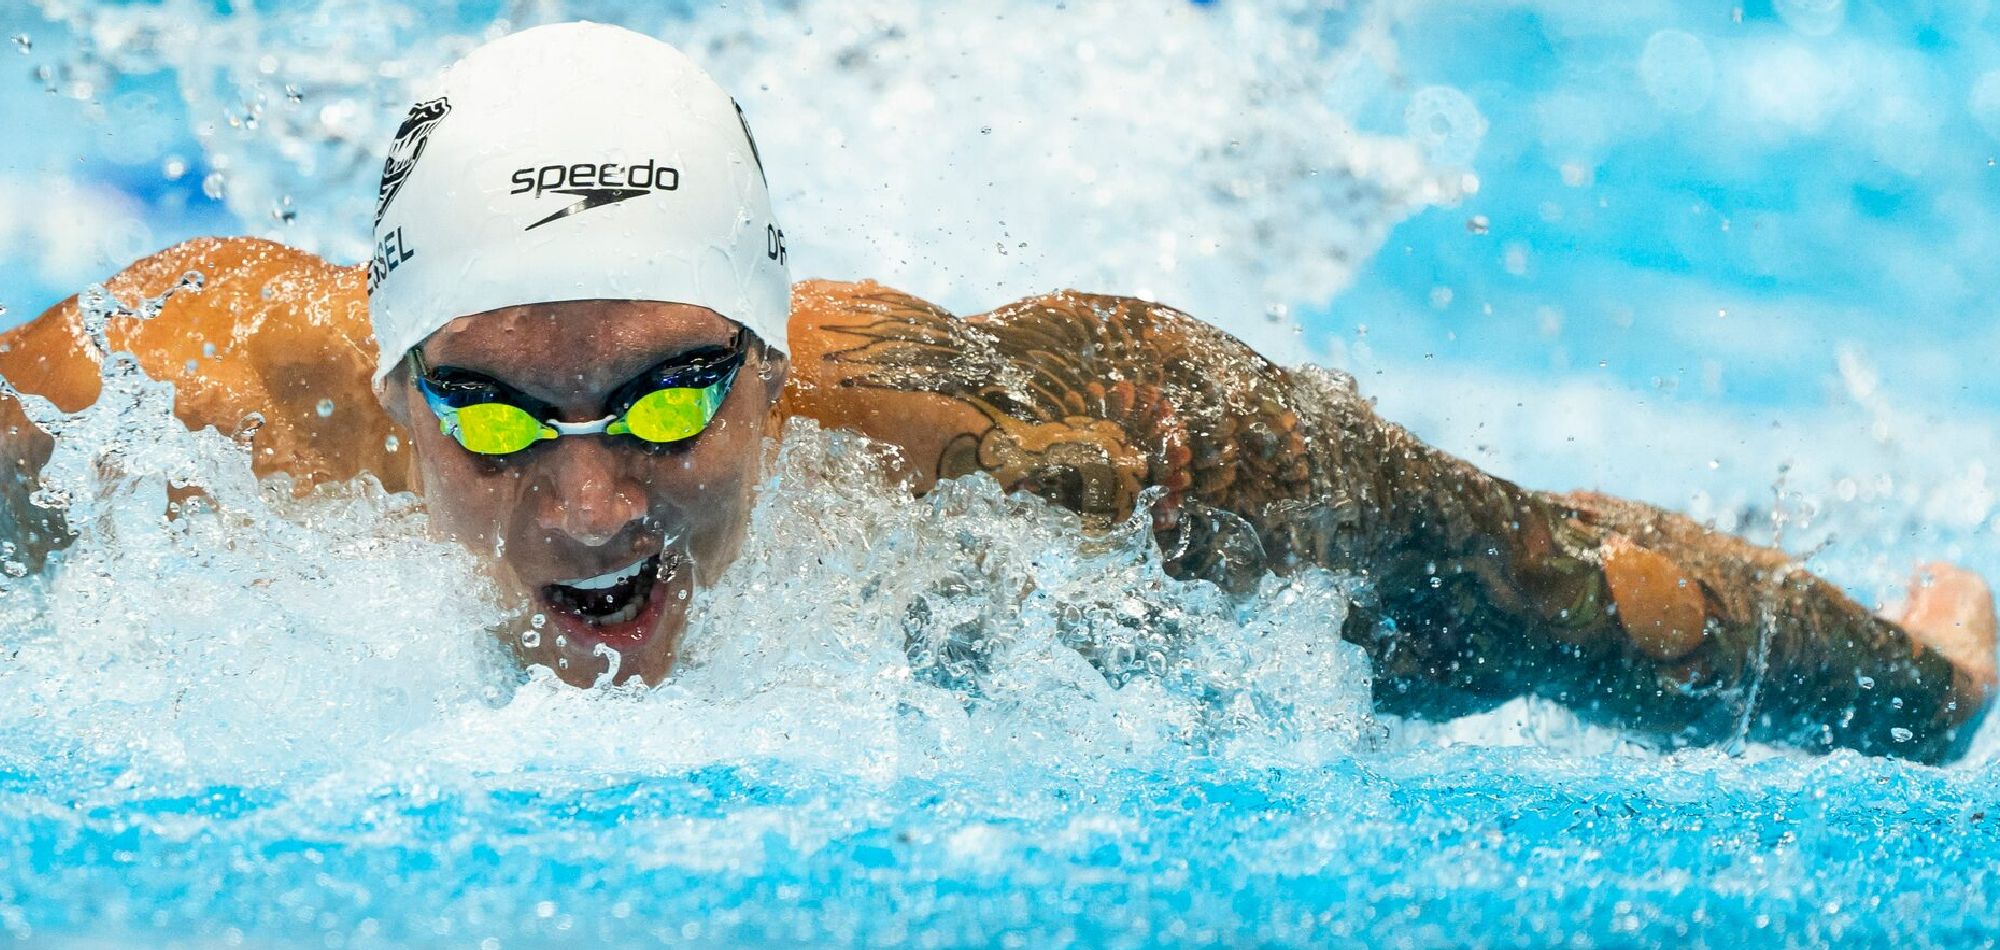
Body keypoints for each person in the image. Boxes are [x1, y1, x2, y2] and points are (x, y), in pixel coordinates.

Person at [0, 23, 1992, 761]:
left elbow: (1544, 570)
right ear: (388, 381)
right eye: (499, 410)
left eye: (675, 400)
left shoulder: (1044, 447)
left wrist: (1919, 689)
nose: (591, 505)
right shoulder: (160, 431)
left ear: (783, 380)